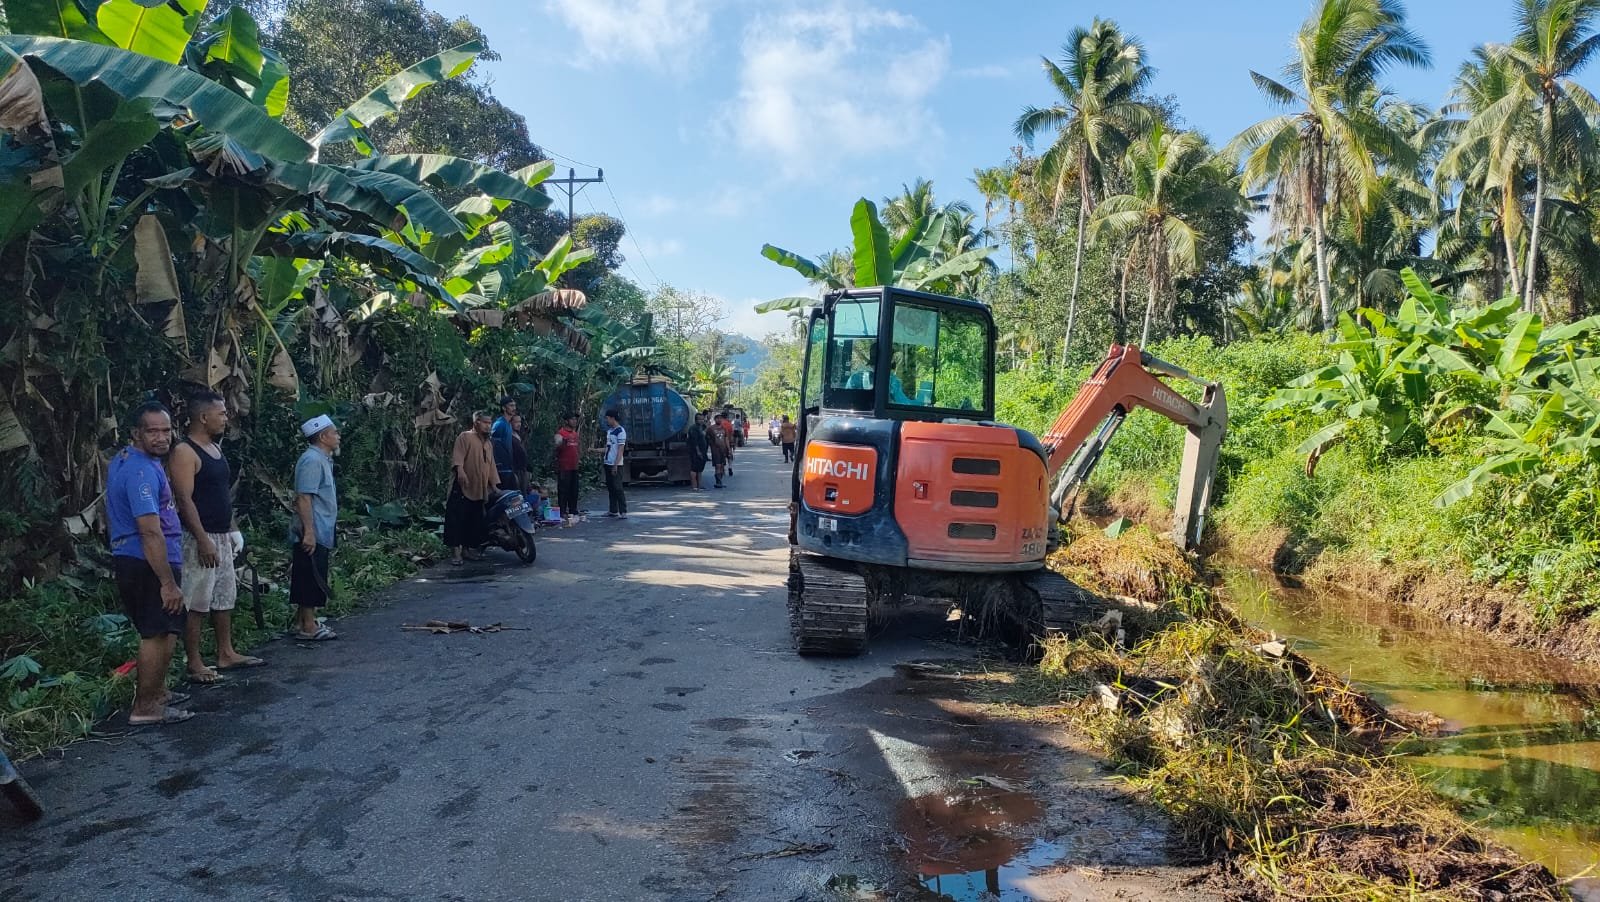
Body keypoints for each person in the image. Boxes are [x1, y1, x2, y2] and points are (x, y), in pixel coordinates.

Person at [107, 402, 192, 725]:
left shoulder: (127, 460)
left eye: (166, 430)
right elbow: (149, 530)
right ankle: (146, 707)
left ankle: (157, 692)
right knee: (155, 632)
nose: (161, 437)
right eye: (152, 431)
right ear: (136, 433)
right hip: (147, 562)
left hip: (143, 558)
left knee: (167, 627)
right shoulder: (140, 470)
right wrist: (167, 582)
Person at [169, 391, 262, 683]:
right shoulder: (185, 451)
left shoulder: (215, 448)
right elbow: (184, 499)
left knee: (224, 596)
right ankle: (194, 662)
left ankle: (226, 652)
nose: (226, 418)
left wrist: (233, 529)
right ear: (203, 417)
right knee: (197, 600)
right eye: (221, 413)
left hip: (221, 533)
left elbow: (222, 494)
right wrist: (203, 539)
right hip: (199, 537)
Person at [290, 414, 340, 641]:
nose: (338, 436)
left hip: (320, 526)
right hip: (313, 528)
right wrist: (309, 531)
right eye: (334, 432)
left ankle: (302, 621)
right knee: (309, 575)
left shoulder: (322, 459)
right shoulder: (312, 460)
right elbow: (303, 498)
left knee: (312, 572)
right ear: (323, 436)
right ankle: (308, 626)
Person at [447, 412, 499, 565]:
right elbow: (458, 457)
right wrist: (460, 470)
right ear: (476, 422)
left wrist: (494, 485)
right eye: (485, 422)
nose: (488, 426)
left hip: (479, 488)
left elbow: (491, 466)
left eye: (490, 423)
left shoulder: (488, 444)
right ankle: (456, 553)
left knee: (473, 520)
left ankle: (467, 550)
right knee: (457, 519)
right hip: (463, 486)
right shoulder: (465, 437)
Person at [554, 412, 581, 522]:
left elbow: (576, 449)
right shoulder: (560, 433)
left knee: (574, 490)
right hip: (564, 467)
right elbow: (557, 448)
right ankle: (562, 511)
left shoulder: (575, 434)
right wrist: (561, 443)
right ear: (566, 421)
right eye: (572, 419)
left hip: (574, 466)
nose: (574, 421)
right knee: (563, 490)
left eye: (575, 419)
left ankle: (573, 510)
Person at [603, 409, 627, 518]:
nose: (607, 420)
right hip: (607, 462)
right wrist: (594, 450)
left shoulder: (620, 431)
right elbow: (608, 447)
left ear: (612, 418)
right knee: (611, 487)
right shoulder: (609, 431)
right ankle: (613, 510)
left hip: (615, 463)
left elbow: (620, 450)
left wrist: (615, 465)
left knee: (618, 487)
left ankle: (623, 511)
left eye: (607, 418)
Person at [491, 395, 517, 489]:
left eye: (514, 405)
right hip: (501, 469)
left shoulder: (508, 425)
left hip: (508, 467)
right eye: (511, 405)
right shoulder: (499, 424)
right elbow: (493, 446)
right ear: (503, 408)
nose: (514, 408)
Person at [686, 412, 711, 491]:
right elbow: (694, 442)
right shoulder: (693, 428)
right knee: (694, 469)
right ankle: (694, 486)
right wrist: (698, 451)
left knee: (700, 469)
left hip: (702, 451)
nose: (701, 421)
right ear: (696, 420)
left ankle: (700, 485)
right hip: (695, 452)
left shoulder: (700, 427)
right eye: (699, 419)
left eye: (702, 419)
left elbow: (706, 428)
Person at [709, 412, 732, 489]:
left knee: (722, 466)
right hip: (715, 450)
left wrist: (729, 450)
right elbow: (705, 437)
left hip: (723, 450)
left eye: (720, 418)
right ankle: (718, 482)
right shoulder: (711, 428)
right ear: (715, 419)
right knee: (718, 466)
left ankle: (720, 481)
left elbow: (726, 439)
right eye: (717, 418)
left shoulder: (724, 428)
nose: (719, 419)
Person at [509, 413, 531, 495]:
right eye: (516, 422)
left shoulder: (518, 435)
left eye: (520, 422)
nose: (519, 424)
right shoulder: (509, 437)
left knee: (524, 492)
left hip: (523, 469)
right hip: (515, 469)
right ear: (510, 423)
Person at [716, 409, 737, 475]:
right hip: (729, 442)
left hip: (720, 442)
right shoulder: (729, 424)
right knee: (729, 455)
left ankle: (723, 469)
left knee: (721, 456)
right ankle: (730, 467)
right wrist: (733, 444)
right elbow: (732, 434)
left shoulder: (719, 424)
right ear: (727, 416)